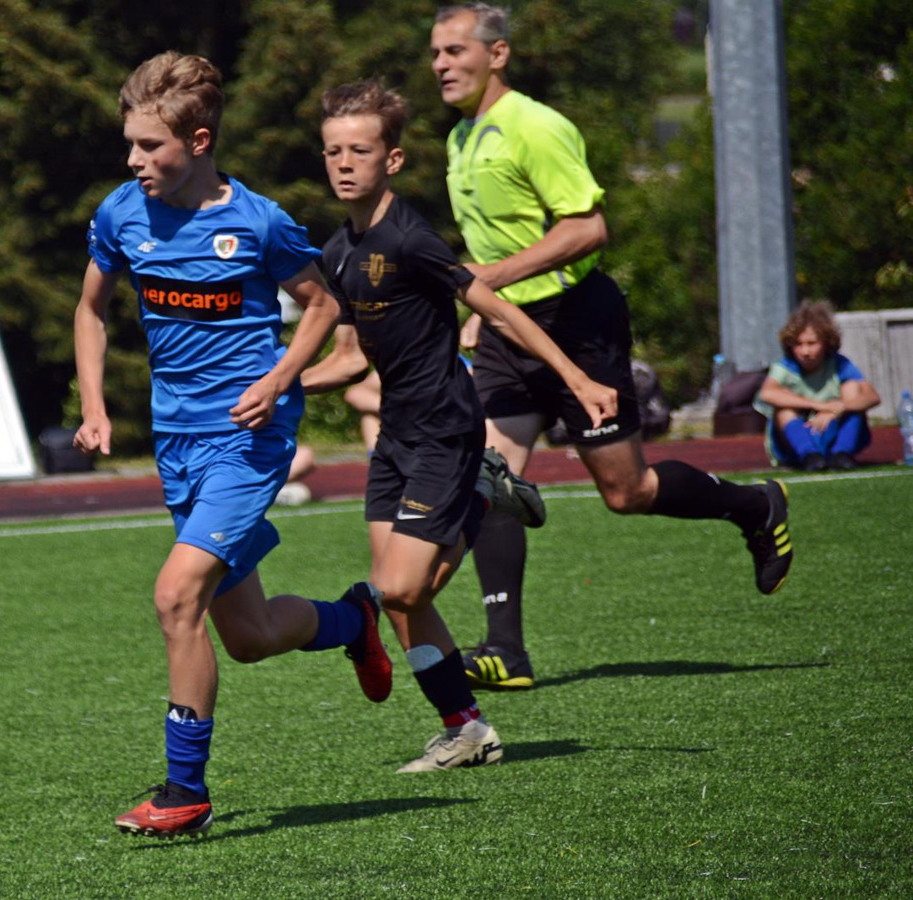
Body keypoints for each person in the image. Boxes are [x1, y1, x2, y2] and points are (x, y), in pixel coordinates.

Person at [73, 52, 395, 840]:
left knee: (175, 596)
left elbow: (323, 307)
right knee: (248, 638)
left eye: (149, 145)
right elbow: (90, 310)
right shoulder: (120, 214)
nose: (133, 159)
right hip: (176, 443)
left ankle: (184, 793)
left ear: (199, 141)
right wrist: (94, 406)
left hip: (248, 442)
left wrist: (281, 379)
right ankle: (352, 620)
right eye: (130, 143)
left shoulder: (257, 222)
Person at [429, 4, 796, 689]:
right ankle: (506, 651)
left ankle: (754, 505)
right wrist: (484, 311)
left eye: (455, 51)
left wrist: (490, 280)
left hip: (577, 323)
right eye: (436, 54)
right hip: (511, 333)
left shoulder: (536, 126)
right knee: (490, 475)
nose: (441, 65)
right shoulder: (460, 137)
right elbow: (493, 244)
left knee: (627, 492)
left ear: (498, 54)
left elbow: (588, 229)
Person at [301, 80, 617, 770]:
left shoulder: (411, 240)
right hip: (395, 438)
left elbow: (499, 311)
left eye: (360, 150)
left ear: (392, 159)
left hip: (446, 432)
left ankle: (481, 491)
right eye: (333, 151)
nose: (344, 163)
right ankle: (467, 730)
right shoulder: (338, 252)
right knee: (399, 601)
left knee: (400, 589)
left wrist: (579, 379)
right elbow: (349, 361)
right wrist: (274, 387)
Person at [754, 300, 880, 471]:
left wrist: (840, 407)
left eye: (811, 343)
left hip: (831, 428)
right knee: (783, 409)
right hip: (797, 439)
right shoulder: (785, 367)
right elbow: (767, 393)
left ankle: (842, 453)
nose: (805, 352)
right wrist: (821, 406)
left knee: (852, 388)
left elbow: (872, 396)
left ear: (826, 342)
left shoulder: (839, 364)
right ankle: (809, 456)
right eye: (798, 344)